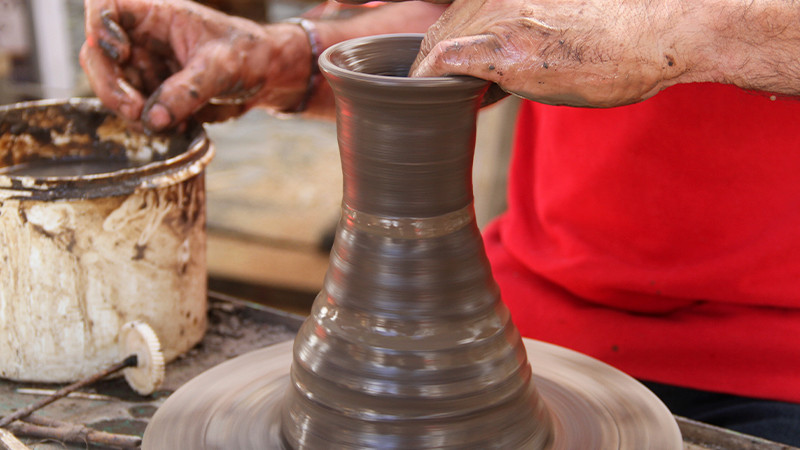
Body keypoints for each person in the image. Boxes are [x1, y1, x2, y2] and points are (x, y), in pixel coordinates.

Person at [82, 0, 800, 445]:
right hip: (519, 330)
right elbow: (471, 22)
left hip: (774, 361)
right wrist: (293, 56)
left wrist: (676, 26)